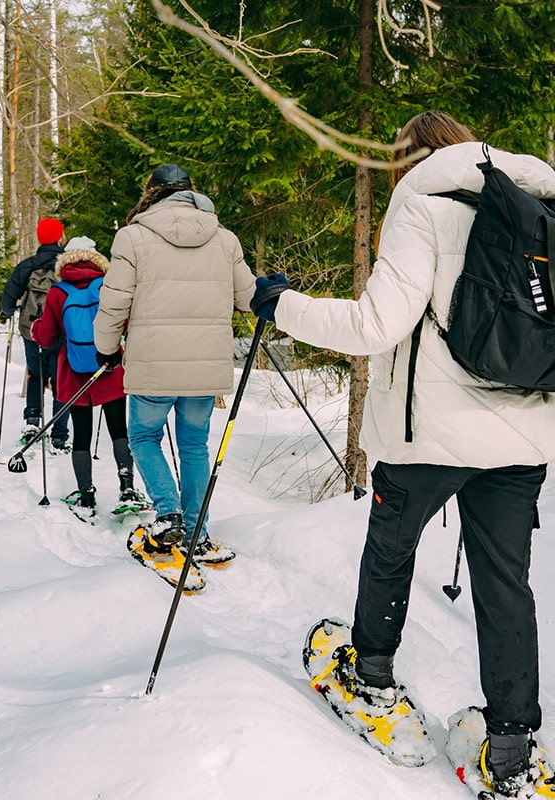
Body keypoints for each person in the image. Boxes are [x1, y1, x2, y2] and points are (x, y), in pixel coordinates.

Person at [250, 112, 555, 795]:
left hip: (431, 437)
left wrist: (280, 304)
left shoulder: (421, 201)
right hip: (525, 434)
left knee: (391, 548)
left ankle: (374, 675)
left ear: (409, 158)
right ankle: (511, 744)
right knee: (505, 583)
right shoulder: (540, 203)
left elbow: (374, 324)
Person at [94, 163, 255, 577]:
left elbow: (115, 302)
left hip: (153, 364)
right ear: (190, 192)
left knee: (144, 437)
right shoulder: (224, 238)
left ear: (151, 193)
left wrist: (106, 349)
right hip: (205, 364)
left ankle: (168, 516)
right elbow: (247, 296)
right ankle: (197, 530)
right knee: (194, 445)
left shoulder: (133, 236)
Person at [31, 245, 148, 522]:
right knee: (119, 430)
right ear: (98, 264)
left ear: (65, 266)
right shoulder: (107, 286)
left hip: (74, 374)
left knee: (81, 435)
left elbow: (47, 338)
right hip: (110, 368)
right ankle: (128, 488)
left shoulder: (58, 292)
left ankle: (86, 495)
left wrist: (36, 328)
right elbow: (126, 323)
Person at [1, 218, 69, 450]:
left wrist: (10, 310)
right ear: (60, 238)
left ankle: (32, 423)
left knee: (36, 374)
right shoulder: (67, 265)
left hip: (32, 331)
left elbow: (7, 300)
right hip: (61, 334)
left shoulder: (27, 265)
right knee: (61, 381)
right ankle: (59, 434)